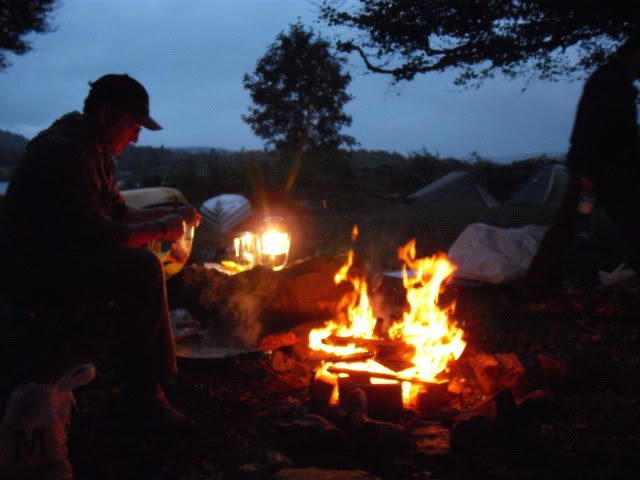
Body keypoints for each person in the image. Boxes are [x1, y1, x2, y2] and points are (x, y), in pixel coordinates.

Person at [1, 74, 201, 429]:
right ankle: (143, 396)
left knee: (142, 262)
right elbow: (97, 234)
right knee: (142, 267)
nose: (136, 136)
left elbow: (120, 212)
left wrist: (172, 216)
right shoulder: (60, 152)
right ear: (106, 115)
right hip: (33, 269)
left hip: (65, 258)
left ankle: (149, 378)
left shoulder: (97, 151)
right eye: (133, 125)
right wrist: (160, 230)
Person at [524, 34, 640, 297]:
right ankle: (538, 284)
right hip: (602, 170)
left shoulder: (618, 80)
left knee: (628, 222)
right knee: (573, 224)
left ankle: (539, 282)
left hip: (612, 169)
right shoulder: (610, 81)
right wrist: (587, 171)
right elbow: (591, 126)